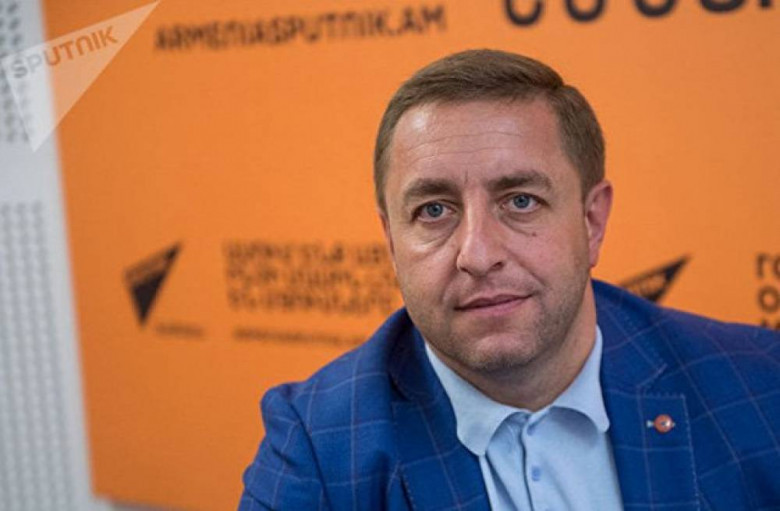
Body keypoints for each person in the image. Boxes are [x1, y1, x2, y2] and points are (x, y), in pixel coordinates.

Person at [238, 49, 780, 510]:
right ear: (392, 243)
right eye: (433, 210)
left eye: (521, 201)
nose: (477, 255)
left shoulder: (760, 384)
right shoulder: (319, 448)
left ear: (591, 222)